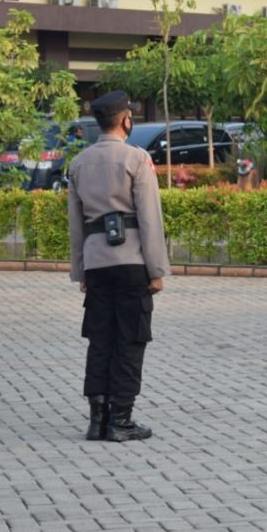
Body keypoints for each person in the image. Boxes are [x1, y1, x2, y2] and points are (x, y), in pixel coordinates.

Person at [67, 91, 169, 442]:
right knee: (130, 338)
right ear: (126, 119)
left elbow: (76, 223)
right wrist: (156, 270)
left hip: (96, 261)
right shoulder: (137, 159)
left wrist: (80, 270)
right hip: (131, 261)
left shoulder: (78, 163)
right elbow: (149, 218)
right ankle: (121, 420)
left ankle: (97, 420)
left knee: (100, 339)